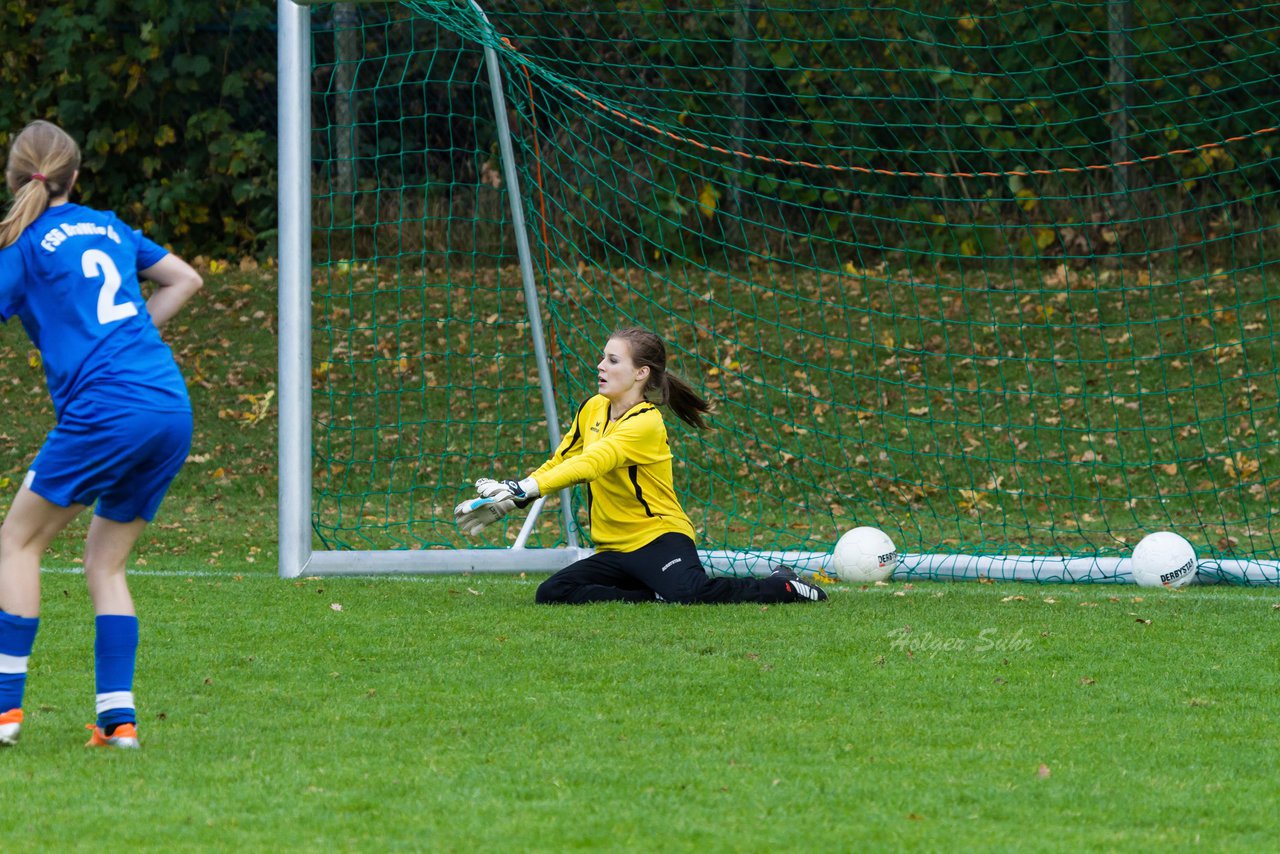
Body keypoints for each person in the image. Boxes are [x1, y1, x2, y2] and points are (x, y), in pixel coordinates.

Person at [0, 120, 202, 749]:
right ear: (75, 176)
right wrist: (135, 335)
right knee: (105, 563)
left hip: (108, 409)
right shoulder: (110, 227)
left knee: (16, 545)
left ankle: (4, 713)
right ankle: (119, 722)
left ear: (14, 178)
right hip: (168, 405)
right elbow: (187, 278)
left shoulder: (23, 243)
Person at [455, 327, 827, 605]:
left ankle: (784, 585)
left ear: (640, 374)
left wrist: (524, 488)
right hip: (613, 550)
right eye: (603, 357)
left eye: (613, 361)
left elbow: (592, 464)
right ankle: (652, 594)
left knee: (691, 594)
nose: (600, 365)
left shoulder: (646, 422)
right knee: (552, 592)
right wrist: (511, 501)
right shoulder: (592, 408)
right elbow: (563, 461)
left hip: (659, 539)